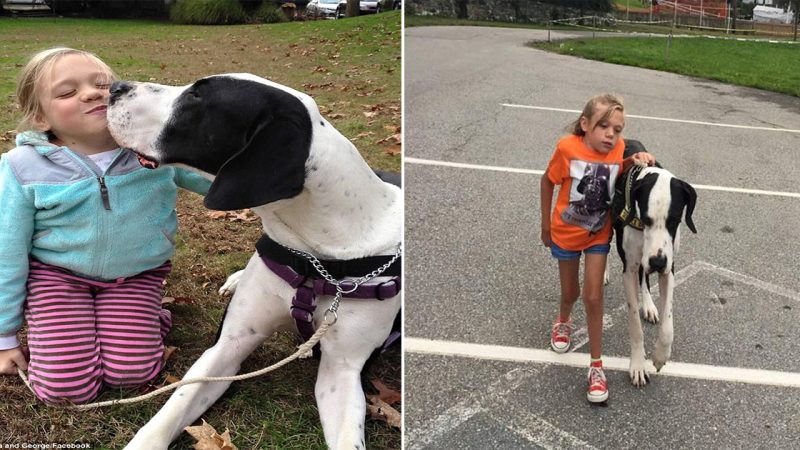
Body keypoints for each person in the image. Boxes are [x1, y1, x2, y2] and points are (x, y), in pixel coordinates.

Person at [0, 48, 211, 405]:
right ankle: (64, 324)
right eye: (67, 92)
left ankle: (145, 317)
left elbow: (215, 179)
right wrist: (4, 335)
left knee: (133, 373)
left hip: (135, 275)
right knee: (65, 391)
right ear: (40, 117)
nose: (92, 93)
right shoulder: (23, 167)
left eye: (103, 84)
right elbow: (7, 250)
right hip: (57, 279)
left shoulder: (154, 146)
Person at [539, 93, 655, 403]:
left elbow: (616, 166)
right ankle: (562, 319)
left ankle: (596, 366)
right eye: (604, 126)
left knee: (593, 296)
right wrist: (545, 225)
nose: (611, 134)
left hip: (596, 234)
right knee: (571, 293)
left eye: (617, 129)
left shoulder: (617, 148)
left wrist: (633, 159)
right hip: (565, 232)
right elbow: (547, 181)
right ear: (585, 124)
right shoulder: (567, 148)